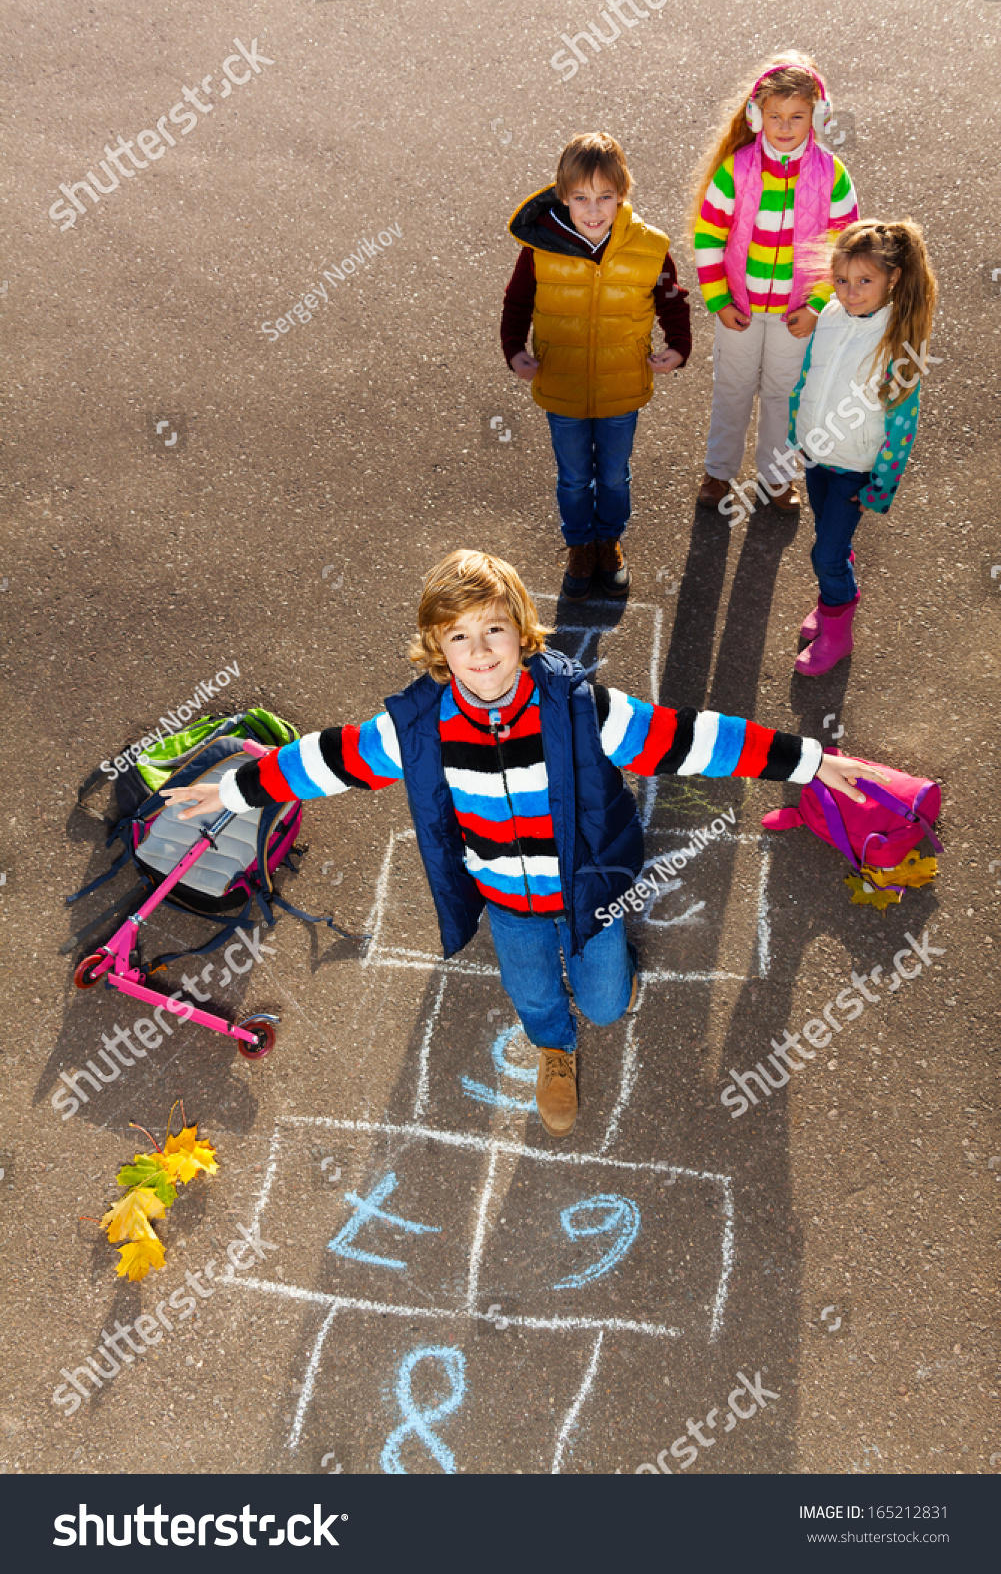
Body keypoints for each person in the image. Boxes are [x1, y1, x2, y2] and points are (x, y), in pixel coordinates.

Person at [163, 550, 884, 1139]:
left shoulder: (578, 710)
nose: (479, 653)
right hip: (505, 902)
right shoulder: (417, 729)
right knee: (535, 995)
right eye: (459, 637)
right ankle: (553, 1050)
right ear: (437, 649)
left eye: (493, 631)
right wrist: (230, 791)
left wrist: (811, 760)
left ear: (522, 632)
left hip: (588, 894)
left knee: (605, 1002)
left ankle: (608, 973)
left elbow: (693, 739)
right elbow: (328, 760)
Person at [501, 132, 691, 601]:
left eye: (605, 196)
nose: (593, 209)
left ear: (622, 194)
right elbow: (518, 301)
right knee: (572, 476)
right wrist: (514, 349)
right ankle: (580, 545)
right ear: (563, 196)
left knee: (612, 474)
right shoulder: (541, 247)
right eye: (581, 197)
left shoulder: (649, 247)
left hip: (621, 387)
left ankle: (608, 540)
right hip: (562, 385)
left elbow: (672, 299)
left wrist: (679, 345)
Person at [690, 51, 858, 515]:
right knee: (733, 389)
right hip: (738, 309)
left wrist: (818, 304)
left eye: (797, 116)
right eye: (775, 116)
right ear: (756, 115)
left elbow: (842, 247)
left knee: (785, 395)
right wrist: (718, 298)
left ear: (816, 117)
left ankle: (777, 478)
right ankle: (718, 471)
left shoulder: (832, 175)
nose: (785, 127)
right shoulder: (737, 168)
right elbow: (709, 235)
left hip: (795, 314)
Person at [785, 218, 937, 674]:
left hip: (856, 466)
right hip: (818, 456)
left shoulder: (898, 338)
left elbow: (902, 422)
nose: (850, 292)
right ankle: (834, 590)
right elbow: (809, 376)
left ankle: (838, 629)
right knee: (827, 541)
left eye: (864, 281)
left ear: (892, 279)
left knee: (826, 552)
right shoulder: (830, 314)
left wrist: (882, 485)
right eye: (842, 280)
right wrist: (799, 429)